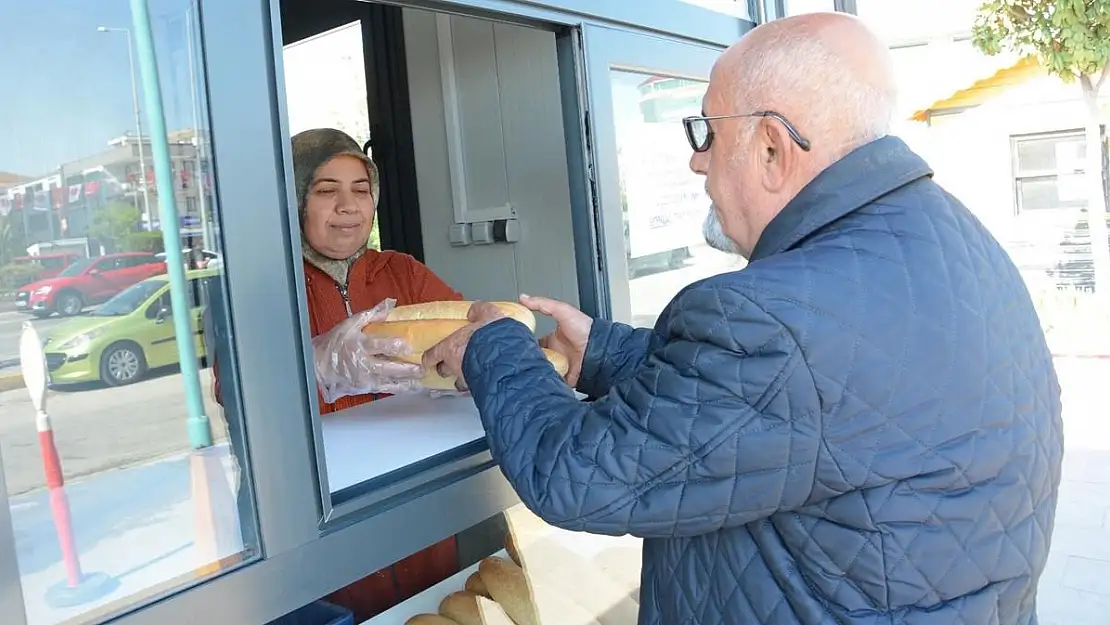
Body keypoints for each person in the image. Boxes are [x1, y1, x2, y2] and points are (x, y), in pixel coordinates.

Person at [424, 13, 1064, 625]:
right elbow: (803, 403)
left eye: (707, 132)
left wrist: (496, 344)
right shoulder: (948, 238)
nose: (698, 161)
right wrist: (605, 352)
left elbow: (575, 474)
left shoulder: (770, 320)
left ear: (770, 147)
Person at [208, 127, 466, 620]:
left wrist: (479, 359)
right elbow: (234, 389)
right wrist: (319, 363)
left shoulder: (401, 272)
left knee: (429, 606)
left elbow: (461, 330)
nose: (348, 206)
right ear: (294, 200)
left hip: (412, 489)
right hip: (313, 511)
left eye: (361, 189)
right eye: (326, 191)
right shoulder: (259, 282)